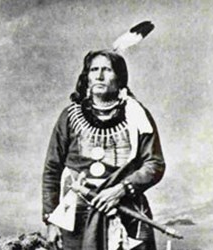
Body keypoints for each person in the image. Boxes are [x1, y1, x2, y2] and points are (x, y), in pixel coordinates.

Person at [42, 50, 165, 249]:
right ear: (87, 78)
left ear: (119, 78)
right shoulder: (70, 117)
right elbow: (52, 169)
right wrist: (50, 221)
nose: (99, 76)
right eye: (94, 70)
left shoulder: (137, 116)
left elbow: (155, 163)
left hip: (125, 209)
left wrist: (121, 189)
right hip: (75, 216)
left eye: (107, 70)